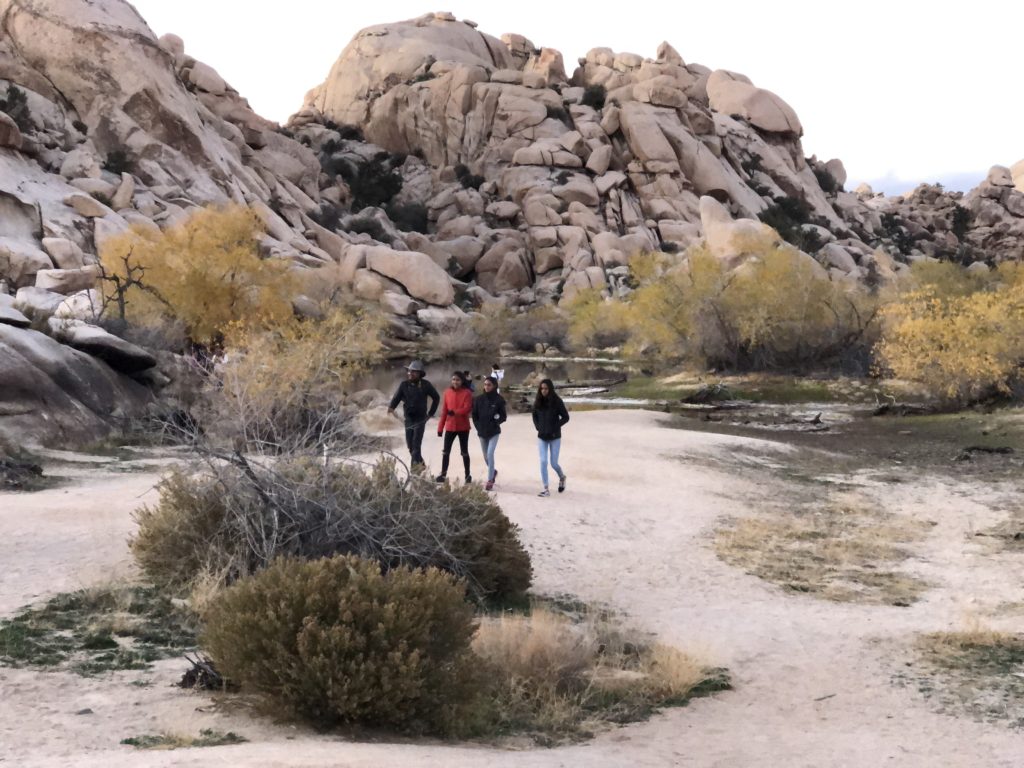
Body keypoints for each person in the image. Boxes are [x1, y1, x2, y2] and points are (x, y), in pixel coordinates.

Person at [387, 360, 439, 471]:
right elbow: (396, 398)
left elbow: (436, 398)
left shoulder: (426, 385)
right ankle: (422, 465)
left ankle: (414, 473)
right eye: (409, 371)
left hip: (420, 420)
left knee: (416, 446)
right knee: (410, 447)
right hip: (408, 420)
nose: (410, 373)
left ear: (420, 373)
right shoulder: (404, 385)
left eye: (414, 372)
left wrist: (430, 414)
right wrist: (390, 409)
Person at [532, 378, 570, 497]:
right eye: (542, 388)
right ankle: (545, 488)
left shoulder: (557, 401)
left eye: (546, 388)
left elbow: (566, 417)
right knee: (543, 461)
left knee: (554, 463)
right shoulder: (538, 401)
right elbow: (534, 415)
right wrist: (538, 427)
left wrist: (555, 426)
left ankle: (562, 477)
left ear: (550, 389)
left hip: (554, 437)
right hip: (542, 436)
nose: (543, 391)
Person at [436, 371, 474, 484]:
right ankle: (443, 475)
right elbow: (444, 411)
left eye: (457, 380)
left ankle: (467, 475)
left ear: (462, 381)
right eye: (453, 379)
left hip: (463, 427)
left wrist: (455, 412)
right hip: (450, 426)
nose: (455, 382)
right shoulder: (447, 392)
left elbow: (467, 408)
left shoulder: (467, 393)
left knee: (464, 452)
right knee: (446, 451)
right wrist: (440, 428)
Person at [472, 375, 507, 491]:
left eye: (489, 385)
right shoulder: (478, 399)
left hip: (494, 432)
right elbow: (474, 416)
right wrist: (478, 427)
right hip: (482, 432)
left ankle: (490, 480)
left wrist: (496, 421)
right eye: (485, 384)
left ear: (494, 386)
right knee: (486, 457)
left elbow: (503, 416)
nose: (486, 387)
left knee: (490, 453)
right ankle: (493, 471)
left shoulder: (499, 400)